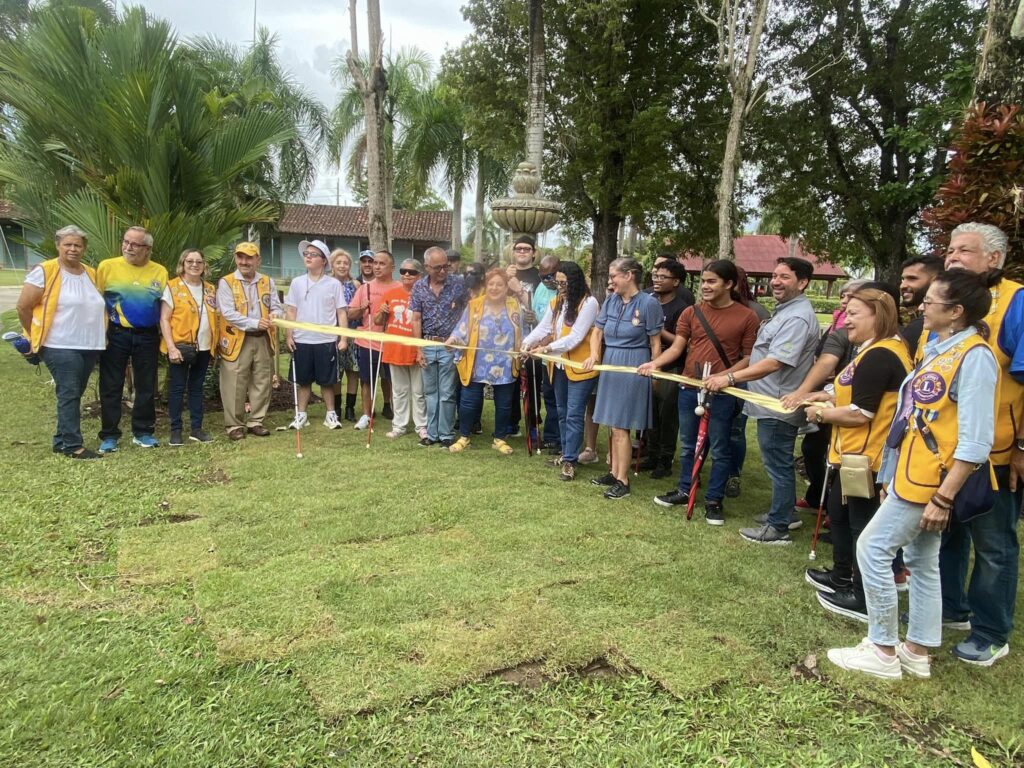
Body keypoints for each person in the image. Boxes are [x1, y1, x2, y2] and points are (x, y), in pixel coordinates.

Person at [827, 270, 997, 679]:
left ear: (956, 312)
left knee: (871, 548)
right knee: (922, 560)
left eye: (932, 302)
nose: (922, 307)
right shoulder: (941, 348)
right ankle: (916, 650)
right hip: (913, 474)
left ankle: (882, 648)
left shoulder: (974, 357)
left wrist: (943, 497)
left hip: (930, 482)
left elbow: (975, 441)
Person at [936, 223, 1024, 666]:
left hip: (997, 452)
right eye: (950, 249)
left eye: (964, 251)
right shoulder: (947, 310)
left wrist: (1023, 445)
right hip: (943, 451)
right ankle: (952, 608)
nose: (952, 257)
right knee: (947, 533)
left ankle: (990, 631)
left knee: (993, 544)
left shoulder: (1016, 302)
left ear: (994, 259)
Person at [796, 288, 912, 621]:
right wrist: (829, 397)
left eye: (855, 313)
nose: (846, 319)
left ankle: (862, 597)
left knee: (862, 526)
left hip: (867, 459)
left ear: (878, 315)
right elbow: (855, 393)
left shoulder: (881, 355)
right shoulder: (872, 351)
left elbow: (862, 413)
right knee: (841, 514)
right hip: (851, 456)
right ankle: (841, 576)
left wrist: (821, 414)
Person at [706, 257, 820, 544]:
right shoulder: (786, 311)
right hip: (769, 401)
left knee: (778, 464)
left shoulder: (796, 317)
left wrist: (731, 378)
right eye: (774, 275)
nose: (776, 281)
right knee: (776, 463)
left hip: (778, 405)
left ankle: (778, 527)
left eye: (785, 277)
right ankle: (785, 513)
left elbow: (775, 362)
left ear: (803, 282)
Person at [641, 260, 759, 524]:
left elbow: (749, 358)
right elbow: (677, 348)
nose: (705, 286)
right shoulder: (691, 313)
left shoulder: (747, 316)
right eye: (703, 281)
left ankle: (714, 499)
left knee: (718, 447)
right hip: (689, 387)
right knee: (688, 445)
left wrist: (725, 378)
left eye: (712, 281)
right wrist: (654, 363)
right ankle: (685, 489)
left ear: (729, 284)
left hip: (723, 392)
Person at [15, 225, 106, 459]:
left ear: (84, 248)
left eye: (77, 245)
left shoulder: (91, 273)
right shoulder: (45, 271)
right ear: (58, 245)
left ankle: (60, 440)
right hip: (59, 344)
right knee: (69, 392)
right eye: (68, 244)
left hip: (89, 344)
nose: (73, 249)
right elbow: (23, 306)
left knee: (75, 391)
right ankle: (73, 446)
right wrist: (33, 334)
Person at [585, 257, 663, 500]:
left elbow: (655, 342)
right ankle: (613, 470)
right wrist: (594, 355)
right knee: (611, 423)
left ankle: (623, 480)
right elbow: (597, 331)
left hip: (633, 365)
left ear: (629, 275)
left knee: (621, 427)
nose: (611, 282)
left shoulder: (649, 304)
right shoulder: (611, 300)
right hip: (611, 363)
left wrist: (654, 370)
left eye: (614, 276)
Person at [523, 261, 600, 481]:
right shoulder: (557, 302)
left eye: (564, 283)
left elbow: (576, 337)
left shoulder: (589, 303)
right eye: (557, 283)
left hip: (579, 367)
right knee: (562, 412)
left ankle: (569, 461)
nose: (560, 287)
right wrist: (527, 343)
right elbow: (544, 327)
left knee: (574, 414)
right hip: (557, 366)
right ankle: (567, 454)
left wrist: (547, 347)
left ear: (575, 281)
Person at [96, 226, 168, 452]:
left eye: (134, 244)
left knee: (146, 385)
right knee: (111, 385)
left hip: (147, 336)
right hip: (116, 334)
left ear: (147, 249)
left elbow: (164, 306)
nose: (128, 247)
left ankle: (143, 432)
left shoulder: (160, 272)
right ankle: (109, 436)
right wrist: (101, 334)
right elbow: (97, 304)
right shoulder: (107, 266)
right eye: (125, 241)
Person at [446, 269, 522, 454]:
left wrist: (525, 348)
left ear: (506, 288)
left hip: (505, 363)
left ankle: (500, 438)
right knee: (468, 401)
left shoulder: (514, 306)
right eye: (491, 284)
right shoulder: (474, 305)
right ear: (486, 286)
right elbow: (461, 329)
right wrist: (453, 340)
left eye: (499, 285)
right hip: (476, 361)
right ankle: (464, 436)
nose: (495, 288)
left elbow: (522, 331)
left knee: (504, 403)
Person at [216, 242, 283, 440]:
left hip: (262, 338)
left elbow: (277, 306)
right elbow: (228, 313)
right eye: (240, 257)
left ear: (258, 260)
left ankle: (256, 421)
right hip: (237, 338)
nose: (244, 262)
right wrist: (255, 323)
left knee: (262, 380)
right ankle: (234, 425)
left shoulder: (267, 281)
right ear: (236, 259)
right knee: (234, 382)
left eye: (249, 258)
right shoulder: (226, 282)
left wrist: (274, 315)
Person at [284, 239, 348, 430]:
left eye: (313, 255)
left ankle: (330, 414)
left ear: (324, 260)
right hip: (302, 339)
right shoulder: (296, 283)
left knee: (327, 381)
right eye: (306, 254)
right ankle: (301, 415)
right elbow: (291, 312)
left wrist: (343, 338)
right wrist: (289, 335)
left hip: (326, 340)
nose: (308, 258)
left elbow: (341, 312)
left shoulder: (334, 284)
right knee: (303, 381)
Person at [158, 248, 220, 446]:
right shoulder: (173, 287)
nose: (195, 265)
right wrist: (171, 346)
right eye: (190, 261)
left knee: (197, 388)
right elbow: (165, 319)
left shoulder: (210, 289)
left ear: (204, 266)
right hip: (181, 346)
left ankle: (196, 428)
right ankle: (176, 430)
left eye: (199, 262)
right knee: (177, 388)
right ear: (182, 264)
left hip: (204, 347)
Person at [411, 246, 467, 447]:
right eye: (437, 268)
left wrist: (458, 339)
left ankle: (445, 434)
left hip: (449, 346)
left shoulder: (458, 284)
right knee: (430, 392)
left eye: (445, 266)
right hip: (426, 343)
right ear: (427, 267)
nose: (443, 271)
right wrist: (418, 349)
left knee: (447, 392)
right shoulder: (418, 287)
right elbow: (416, 319)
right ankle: (431, 434)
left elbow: (467, 313)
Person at [641, 259, 692, 479]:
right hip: (645, 364)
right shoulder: (647, 301)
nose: (657, 281)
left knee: (667, 415)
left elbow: (682, 343)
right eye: (655, 276)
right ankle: (650, 455)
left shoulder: (682, 308)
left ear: (676, 281)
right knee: (649, 412)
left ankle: (665, 460)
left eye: (663, 277)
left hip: (671, 368)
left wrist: (657, 329)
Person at [725, 265, 770, 497]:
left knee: (735, 429)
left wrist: (734, 374)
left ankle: (733, 475)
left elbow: (757, 353)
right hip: (712, 377)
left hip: (741, 380)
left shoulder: (755, 312)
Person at [376, 259, 427, 439]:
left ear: (419, 276)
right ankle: (399, 425)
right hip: (394, 349)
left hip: (416, 349)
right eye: (404, 271)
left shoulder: (423, 294)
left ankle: (421, 425)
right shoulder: (391, 293)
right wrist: (382, 311)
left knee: (419, 392)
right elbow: (378, 322)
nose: (407, 275)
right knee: (399, 391)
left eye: (411, 272)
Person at [348, 250, 396, 430]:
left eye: (381, 263)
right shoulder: (365, 287)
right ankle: (367, 414)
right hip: (367, 341)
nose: (376, 267)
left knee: (392, 380)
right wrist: (361, 308)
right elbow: (350, 313)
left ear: (392, 267)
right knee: (367, 380)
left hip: (391, 342)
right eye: (375, 263)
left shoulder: (399, 288)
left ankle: (392, 409)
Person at [330, 249, 361, 421]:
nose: (342, 266)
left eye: (346, 263)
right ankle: (336, 408)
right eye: (338, 263)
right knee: (336, 371)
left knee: (353, 371)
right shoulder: (327, 283)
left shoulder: (355, 285)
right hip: (333, 334)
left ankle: (350, 408)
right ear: (332, 265)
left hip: (353, 333)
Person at [898, 254, 943, 359]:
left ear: (936, 281)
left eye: (912, 278)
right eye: (903, 279)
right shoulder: (917, 323)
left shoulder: (942, 325)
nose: (902, 285)